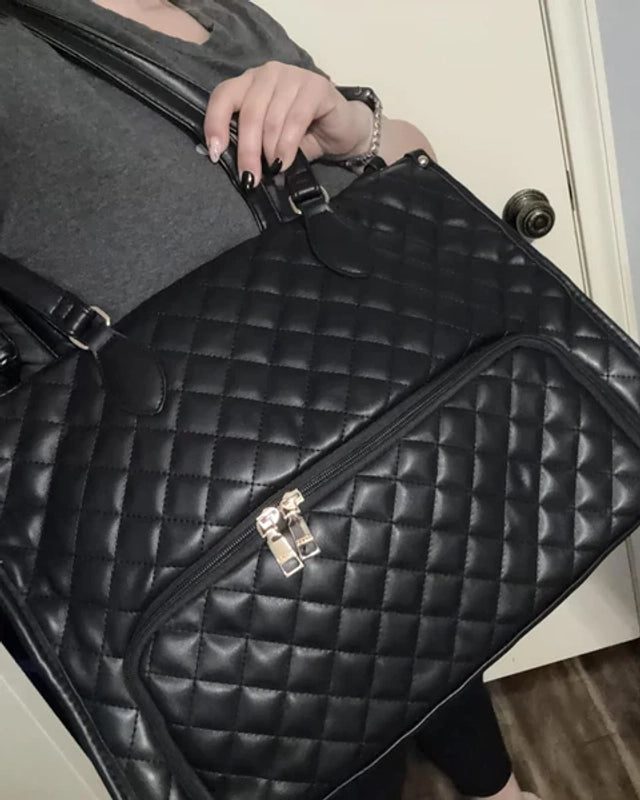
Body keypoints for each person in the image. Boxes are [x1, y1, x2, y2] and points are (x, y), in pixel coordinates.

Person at [0, 2, 540, 799]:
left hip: (388, 458)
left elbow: (409, 171)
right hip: (224, 570)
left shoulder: (224, 13)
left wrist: (353, 130)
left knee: (437, 629)